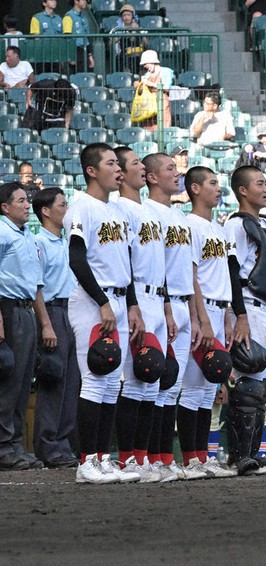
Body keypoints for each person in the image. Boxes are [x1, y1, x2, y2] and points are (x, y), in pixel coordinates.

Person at [66, 143, 144, 484]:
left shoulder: (117, 212)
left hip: (116, 302)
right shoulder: (81, 206)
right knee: (96, 381)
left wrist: (131, 306)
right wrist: (101, 302)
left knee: (113, 385)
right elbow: (77, 259)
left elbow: (123, 265)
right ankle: (86, 463)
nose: (119, 169)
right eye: (111, 163)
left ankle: (102, 458)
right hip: (91, 302)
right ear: (91, 170)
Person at [112, 147, 185, 481]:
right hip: (137, 296)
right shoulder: (119, 209)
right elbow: (124, 263)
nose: (141, 167)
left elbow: (163, 268)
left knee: (153, 385)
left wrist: (167, 307)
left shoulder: (147, 212)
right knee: (136, 381)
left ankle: (144, 459)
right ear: (121, 174)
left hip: (157, 298)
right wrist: (132, 306)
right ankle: (128, 459)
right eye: (134, 163)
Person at [223, 166, 266, 475]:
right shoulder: (236, 225)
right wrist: (239, 315)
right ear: (242, 190)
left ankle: (255, 452)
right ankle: (240, 456)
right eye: (259, 183)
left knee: (262, 386)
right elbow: (231, 270)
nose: (265, 188)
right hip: (249, 307)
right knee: (248, 384)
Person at [141, 152, 199, 481]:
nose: (177, 174)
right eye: (170, 169)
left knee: (172, 388)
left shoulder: (178, 215)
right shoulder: (149, 213)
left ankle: (163, 458)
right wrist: (165, 307)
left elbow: (186, 270)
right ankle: (146, 457)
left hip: (183, 304)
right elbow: (155, 265)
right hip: (161, 303)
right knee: (156, 383)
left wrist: (195, 313)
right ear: (151, 177)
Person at [178, 166, 234, 479]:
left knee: (206, 392)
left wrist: (225, 317)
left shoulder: (219, 228)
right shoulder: (190, 225)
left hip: (217, 311)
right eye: (212, 182)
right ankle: (190, 459)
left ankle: (202, 457)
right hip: (200, 314)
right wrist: (202, 318)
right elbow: (193, 276)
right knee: (192, 389)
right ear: (196, 189)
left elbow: (222, 276)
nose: (217, 188)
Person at [32, 188, 79, 469]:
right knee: (54, 380)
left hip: (73, 312)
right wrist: (46, 325)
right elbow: (37, 287)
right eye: (62, 204)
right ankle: (48, 446)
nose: (67, 209)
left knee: (72, 383)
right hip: (53, 311)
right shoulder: (39, 243)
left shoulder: (66, 242)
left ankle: (63, 444)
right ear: (46, 211)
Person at [0, 183, 46, 471]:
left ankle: (15, 444)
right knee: (8, 380)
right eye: (20, 201)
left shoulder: (27, 234)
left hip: (26, 309)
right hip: (8, 309)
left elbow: (35, 282)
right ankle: (3, 447)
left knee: (23, 380)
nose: (27, 205)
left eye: (27, 200)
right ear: (4, 207)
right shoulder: (2, 232)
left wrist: (44, 322)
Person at [135, 50, 173, 131]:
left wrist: (150, 84)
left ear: (152, 62)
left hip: (161, 105)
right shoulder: (147, 74)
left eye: (146, 63)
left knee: (162, 130)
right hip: (148, 107)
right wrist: (139, 85)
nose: (144, 66)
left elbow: (166, 87)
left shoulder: (165, 71)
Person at [114, 4, 147, 73]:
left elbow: (146, 43)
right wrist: (121, 33)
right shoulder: (116, 29)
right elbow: (111, 43)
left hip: (137, 55)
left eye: (128, 15)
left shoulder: (140, 28)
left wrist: (137, 30)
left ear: (133, 16)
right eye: (124, 15)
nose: (126, 17)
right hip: (123, 56)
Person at [63, 0, 94, 72]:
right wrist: (70, 56)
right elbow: (67, 38)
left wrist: (90, 55)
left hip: (85, 49)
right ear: (76, 1)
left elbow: (87, 37)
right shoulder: (69, 16)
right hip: (75, 50)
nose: (85, 2)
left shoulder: (84, 16)